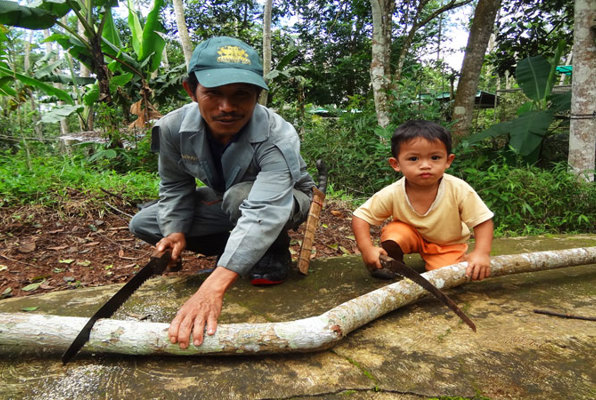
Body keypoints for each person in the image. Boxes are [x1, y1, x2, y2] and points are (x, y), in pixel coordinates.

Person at [129, 37, 314, 349]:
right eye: (213, 94)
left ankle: (270, 252)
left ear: (258, 95)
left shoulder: (277, 134)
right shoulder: (172, 128)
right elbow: (175, 186)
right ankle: (237, 252)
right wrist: (175, 231)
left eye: (241, 95)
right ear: (191, 90)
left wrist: (212, 287)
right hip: (227, 198)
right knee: (146, 223)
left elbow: (263, 210)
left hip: (285, 199)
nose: (227, 107)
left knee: (241, 199)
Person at [351, 120, 494, 281]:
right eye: (413, 159)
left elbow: (482, 220)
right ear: (396, 164)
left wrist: (482, 253)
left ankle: (443, 261)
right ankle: (394, 263)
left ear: (448, 160)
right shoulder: (393, 192)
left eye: (435, 157)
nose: (425, 165)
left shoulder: (458, 189)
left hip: (446, 245)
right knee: (394, 234)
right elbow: (360, 217)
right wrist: (367, 249)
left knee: (447, 277)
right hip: (410, 236)